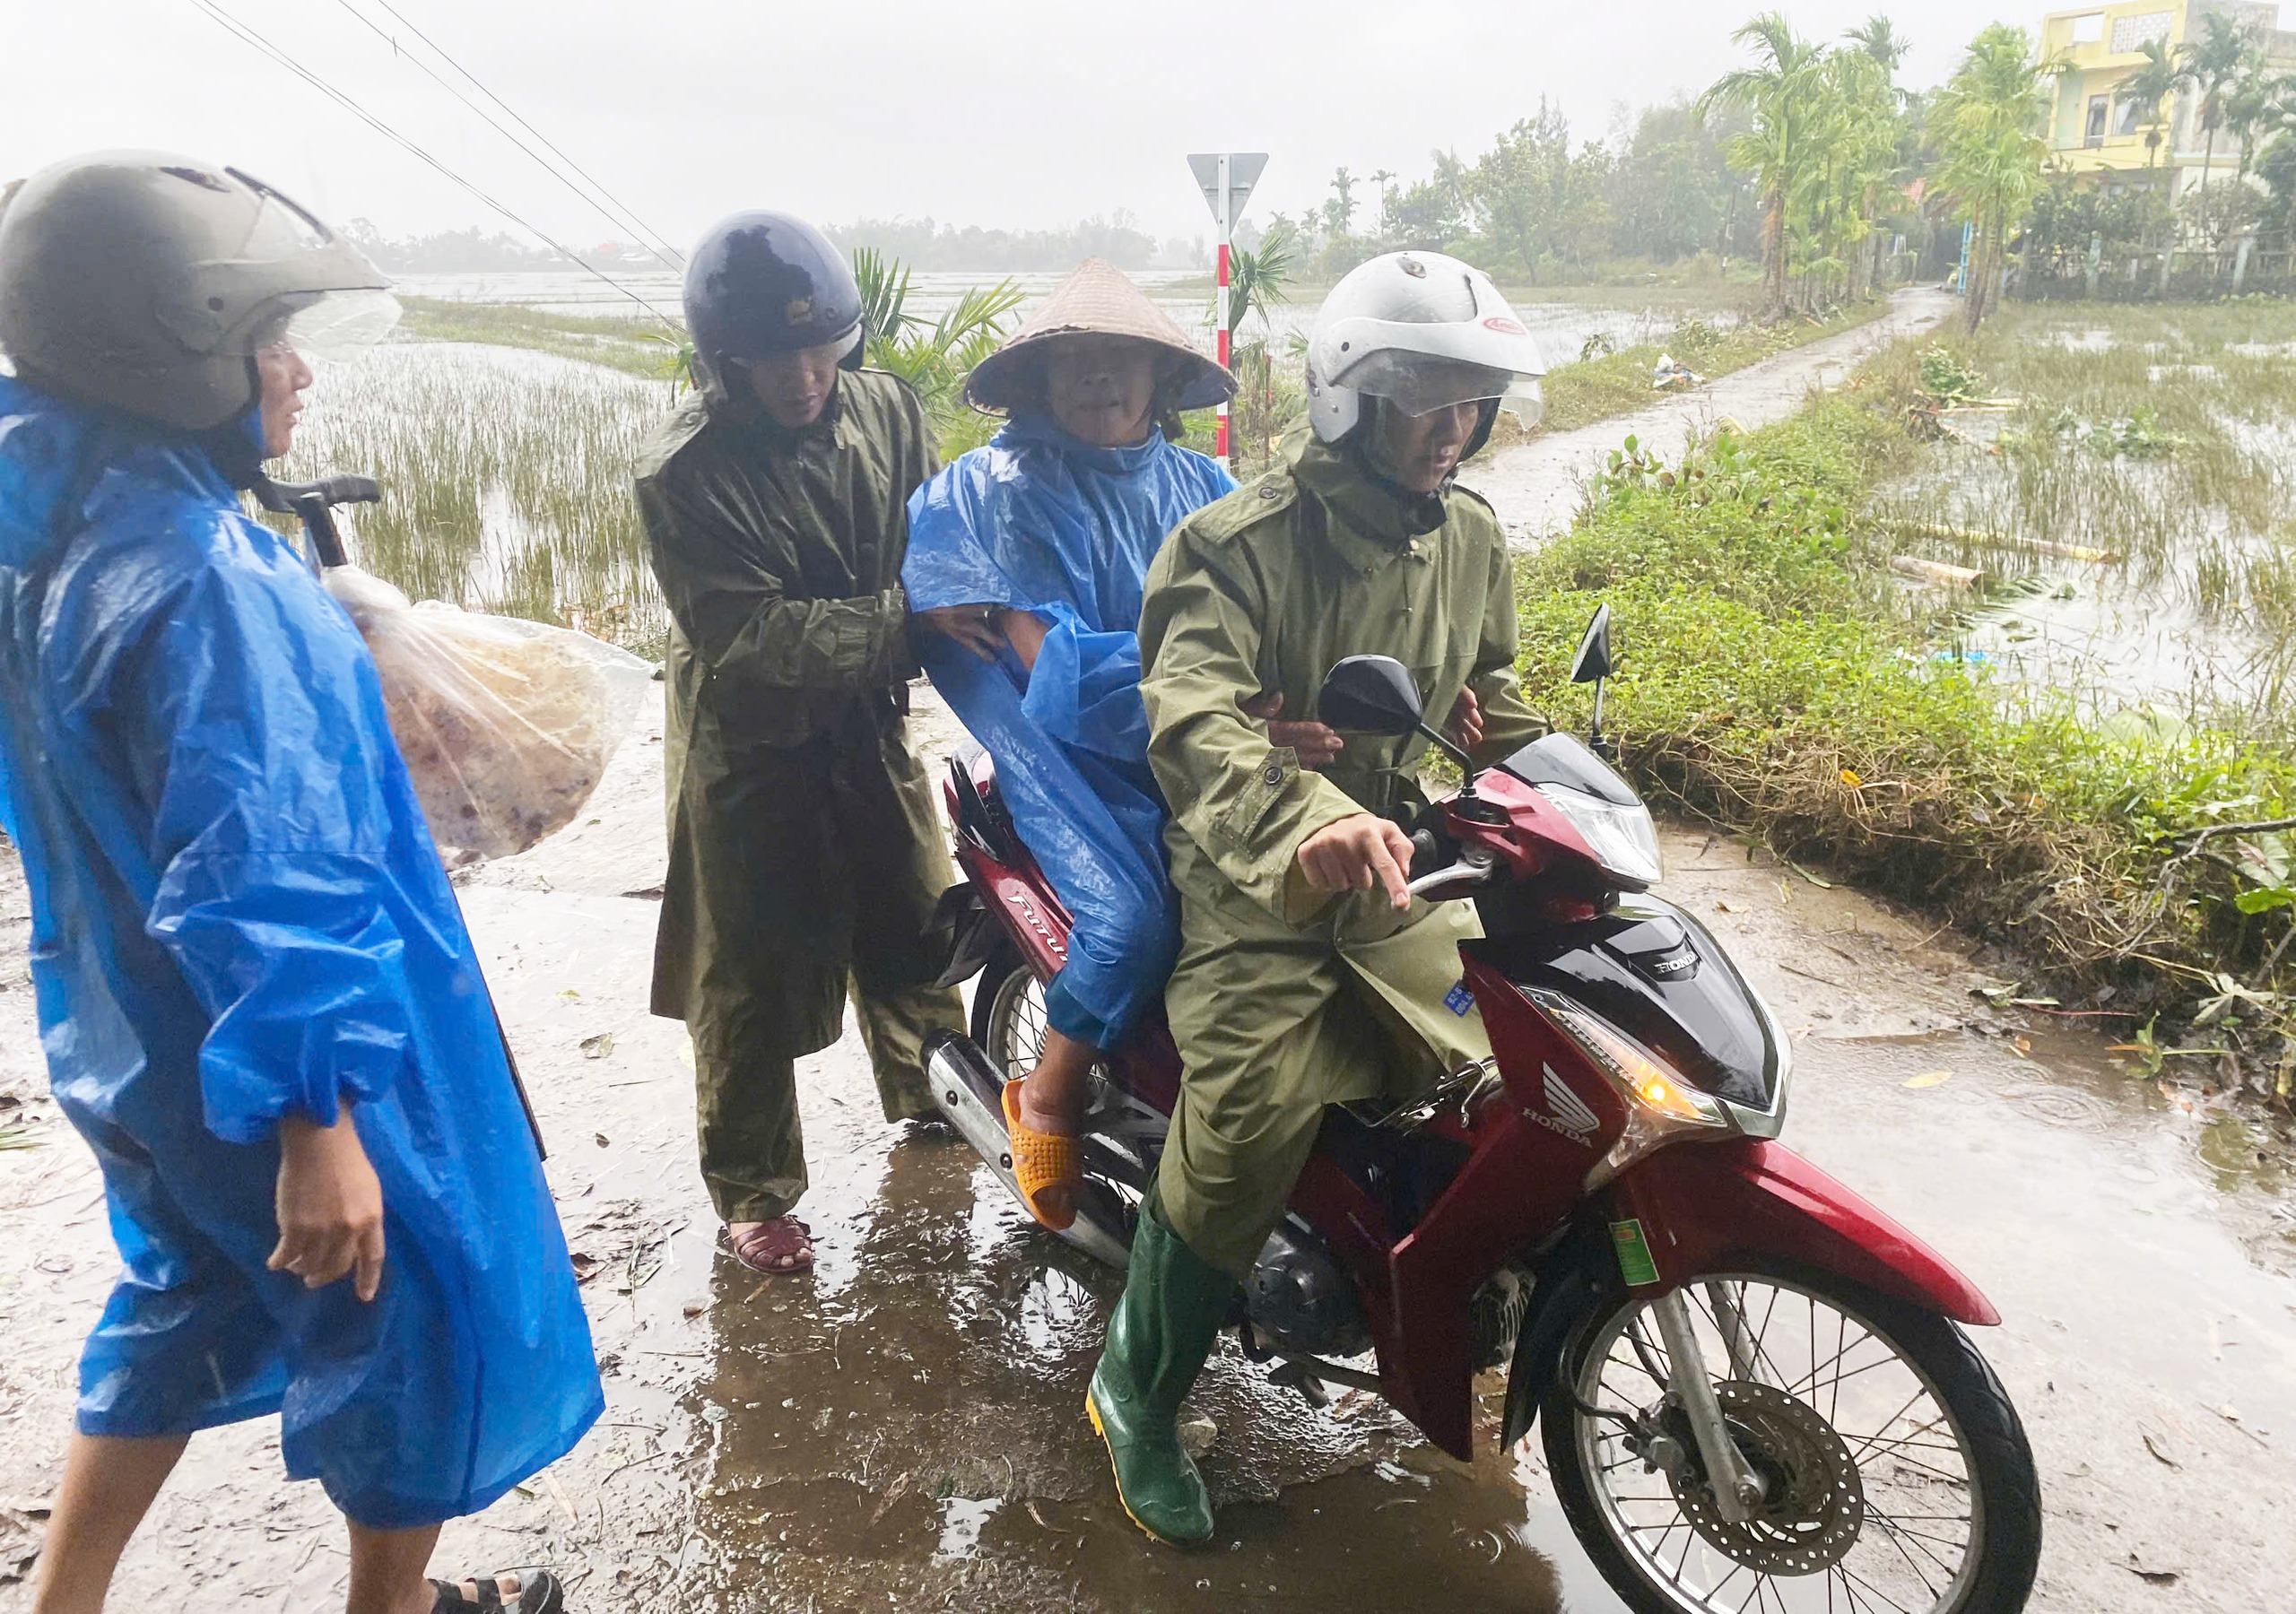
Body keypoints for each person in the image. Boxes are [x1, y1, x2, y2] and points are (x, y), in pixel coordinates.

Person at [0, 152, 600, 1614]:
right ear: (188, 350)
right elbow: (263, 866)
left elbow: (120, 790)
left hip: (139, 1042)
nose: (299, 372)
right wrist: (320, 1122)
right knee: (416, 1323)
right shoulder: (209, 574)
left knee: (183, 1294)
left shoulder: (55, 527)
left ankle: (56, 1602)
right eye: (273, 339)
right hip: (284, 1070)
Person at [1087, 250, 1551, 1545]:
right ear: (1354, 395)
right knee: (1245, 1127)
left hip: (1409, 865)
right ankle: (1136, 1386)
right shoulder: (1234, 546)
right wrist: (1313, 820)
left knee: (1514, 1071)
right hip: (1261, 882)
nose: (1453, 426)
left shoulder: (1468, 537)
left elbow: (1492, 699)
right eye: (1426, 398)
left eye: (1472, 398)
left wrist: (1569, 792)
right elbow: (1195, 720)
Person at [635, 212, 964, 1279]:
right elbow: (748, 633)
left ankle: (936, 1099)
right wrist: (907, 621)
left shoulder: (889, 411)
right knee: (746, 972)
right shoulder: (682, 472)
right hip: (750, 742)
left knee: (917, 915)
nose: (805, 378)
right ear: (723, 361)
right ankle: (754, 1190)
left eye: (823, 351)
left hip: (866, 722)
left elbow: (946, 539)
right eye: (775, 361)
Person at [903, 258, 1235, 1230]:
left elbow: (1280, 595)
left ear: (1160, 380)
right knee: (1136, 924)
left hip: (1201, 726)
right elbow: (1060, 673)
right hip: (1062, 750)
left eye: (1120, 359)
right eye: (1077, 360)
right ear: (1040, 382)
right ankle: (1047, 1092)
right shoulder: (994, 491)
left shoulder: (1206, 482)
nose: (1099, 378)